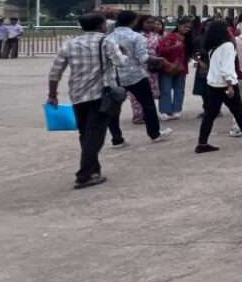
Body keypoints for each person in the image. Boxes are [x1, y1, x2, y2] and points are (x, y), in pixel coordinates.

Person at [46, 13, 127, 188]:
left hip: (78, 94)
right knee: (95, 135)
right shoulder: (106, 42)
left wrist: (52, 94)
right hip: (100, 94)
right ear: (101, 25)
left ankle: (94, 169)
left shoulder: (70, 43)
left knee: (86, 133)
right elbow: (120, 63)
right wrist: (123, 53)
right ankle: (85, 174)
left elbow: (55, 71)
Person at [109, 10, 168, 143]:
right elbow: (143, 58)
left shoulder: (109, 38)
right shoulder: (137, 37)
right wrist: (158, 59)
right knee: (148, 105)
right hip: (135, 75)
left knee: (114, 107)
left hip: (115, 75)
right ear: (133, 21)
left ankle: (117, 139)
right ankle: (154, 134)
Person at [195, 18, 242, 151]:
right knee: (238, 113)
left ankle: (202, 143)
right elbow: (227, 67)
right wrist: (230, 85)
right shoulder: (227, 46)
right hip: (226, 84)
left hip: (213, 83)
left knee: (209, 115)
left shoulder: (213, 46)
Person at [155, 19, 191, 120]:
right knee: (165, 89)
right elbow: (161, 51)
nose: (187, 29)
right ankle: (165, 110)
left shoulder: (189, 39)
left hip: (181, 68)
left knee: (179, 89)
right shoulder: (170, 37)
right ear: (178, 26)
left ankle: (176, 110)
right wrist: (174, 47)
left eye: (189, 27)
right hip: (167, 66)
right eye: (185, 26)